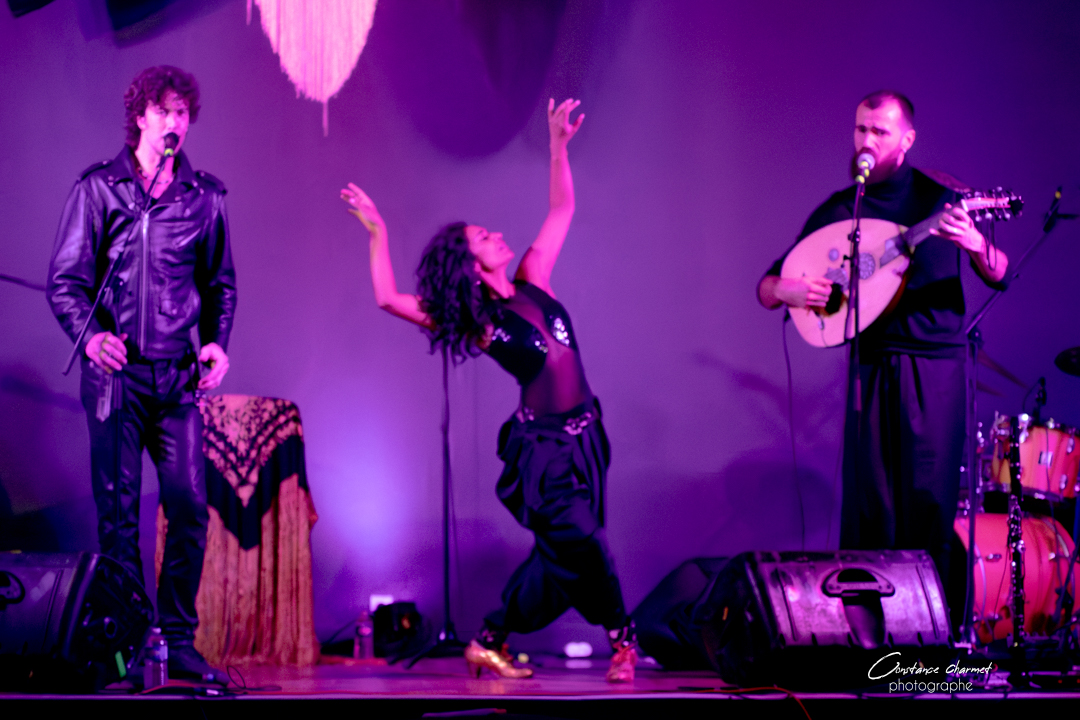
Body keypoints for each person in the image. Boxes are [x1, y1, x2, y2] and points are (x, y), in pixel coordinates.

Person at [341, 98, 637, 682]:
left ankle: (488, 639)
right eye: (483, 237)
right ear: (471, 264)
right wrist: (377, 231)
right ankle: (623, 641)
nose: (496, 235)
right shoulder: (478, 321)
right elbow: (388, 298)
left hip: (587, 438)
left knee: (558, 564)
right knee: (584, 539)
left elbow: (562, 206)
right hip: (544, 451)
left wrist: (557, 147)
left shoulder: (534, 276)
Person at [757, 91, 1008, 618]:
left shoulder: (943, 197)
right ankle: (871, 642)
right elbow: (767, 285)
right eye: (861, 130)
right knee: (871, 506)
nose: (867, 142)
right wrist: (790, 291)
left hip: (935, 368)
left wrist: (975, 245)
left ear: (907, 140)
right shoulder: (842, 209)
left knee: (929, 504)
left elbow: (998, 271)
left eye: (881, 133)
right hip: (870, 366)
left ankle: (932, 647)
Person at [47, 66, 236, 682]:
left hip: (176, 380)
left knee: (187, 506)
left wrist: (215, 344)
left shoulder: (205, 197)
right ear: (141, 117)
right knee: (119, 514)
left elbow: (220, 286)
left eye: (184, 113)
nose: (175, 122)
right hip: (116, 380)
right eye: (165, 111)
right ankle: (130, 642)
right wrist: (92, 335)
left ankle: (177, 640)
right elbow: (66, 280)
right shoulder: (99, 189)